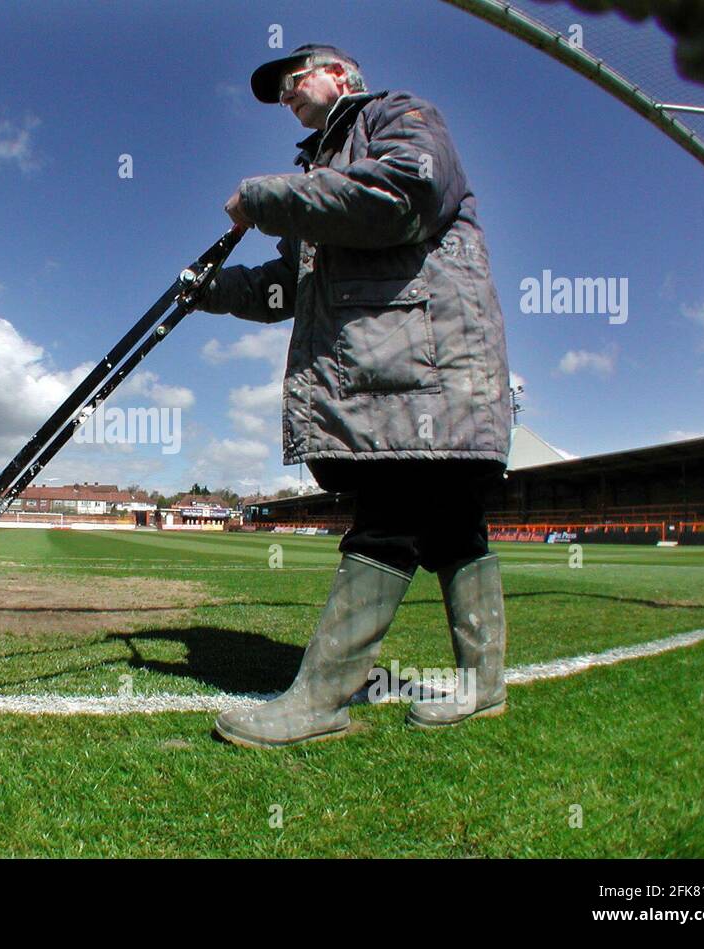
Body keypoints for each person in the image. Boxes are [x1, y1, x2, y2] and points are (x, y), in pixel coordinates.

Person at [199, 44, 513, 748]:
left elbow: (402, 197)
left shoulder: (399, 114)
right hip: (405, 368)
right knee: (451, 524)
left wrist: (265, 196)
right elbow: (289, 286)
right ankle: (483, 683)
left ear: (339, 75)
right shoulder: (320, 174)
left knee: (390, 512)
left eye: (293, 80)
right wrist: (211, 291)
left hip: (427, 365)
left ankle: (321, 698)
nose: (286, 95)